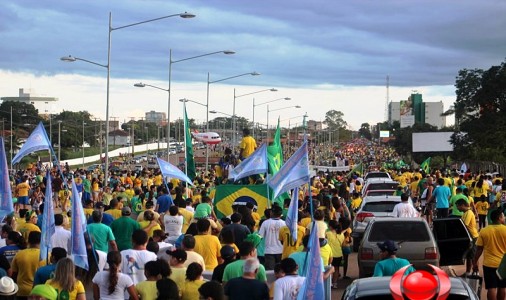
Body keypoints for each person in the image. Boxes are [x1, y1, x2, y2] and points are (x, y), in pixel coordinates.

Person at [472, 208, 506, 300]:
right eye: (503, 216)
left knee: (491, 288)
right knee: (502, 287)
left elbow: (479, 249)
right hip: (503, 264)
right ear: (499, 218)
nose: (504, 218)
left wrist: (475, 262)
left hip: (489, 264)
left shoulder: (484, 231)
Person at [11, 231, 44, 297]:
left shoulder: (19, 254)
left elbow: (14, 274)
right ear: (41, 241)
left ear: (28, 240)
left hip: (22, 291)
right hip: (39, 292)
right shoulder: (46, 256)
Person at [456, 199, 479, 276]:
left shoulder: (469, 213)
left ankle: (476, 272)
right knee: (469, 256)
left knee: (473, 256)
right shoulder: (465, 213)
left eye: (458, 206)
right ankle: (468, 272)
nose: (457, 208)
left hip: (473, 237)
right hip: (469, 237)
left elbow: (464, 225)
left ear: (462, 205)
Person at [258, 205, 285, 270]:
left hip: (269, 251)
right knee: (281, 270)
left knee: (270, 272)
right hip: (281, 251)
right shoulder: (284, 223)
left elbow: (260, 236)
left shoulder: (265, 223)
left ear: (271, 213)